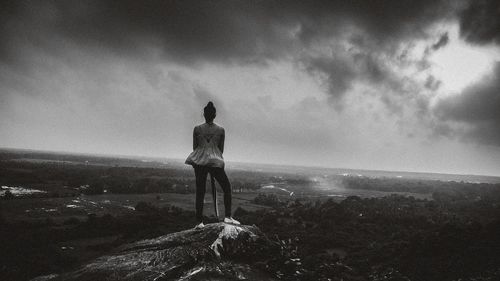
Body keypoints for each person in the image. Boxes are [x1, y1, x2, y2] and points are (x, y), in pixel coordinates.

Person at [185, 101, 240, 229]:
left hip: (200, 161)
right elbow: (221, 149)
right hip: (215, 161)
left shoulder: (197, 129)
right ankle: (227, 216)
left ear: (204, 114)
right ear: (214, 115)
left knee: (200, 191)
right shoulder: (221, 130)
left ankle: (199, 222)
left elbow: (195, 147)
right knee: (226, 187)